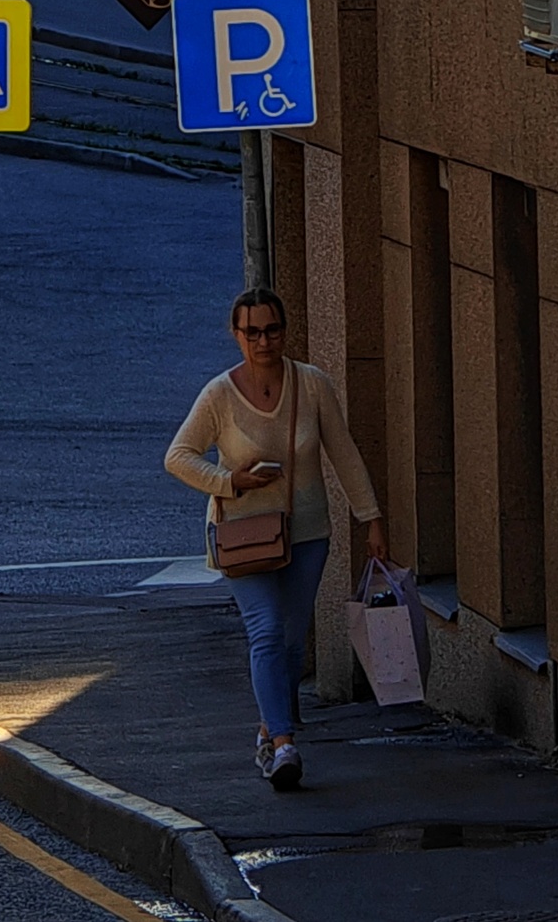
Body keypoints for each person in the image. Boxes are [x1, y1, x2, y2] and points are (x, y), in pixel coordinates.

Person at [165, 288, 386, 794]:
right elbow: (178, 456)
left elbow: (344, 454)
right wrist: (231, 482)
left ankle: (269, 728)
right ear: (236, 335)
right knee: (264, 630)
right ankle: (284, 742)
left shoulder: (312, 386)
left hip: (306, 531)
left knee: (289, 639)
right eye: (252, 332)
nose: (263, 340)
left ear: (285, 331)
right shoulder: (219, 395)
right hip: (242, 536)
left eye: (272, 329)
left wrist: (370, 518)